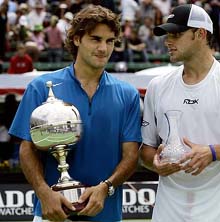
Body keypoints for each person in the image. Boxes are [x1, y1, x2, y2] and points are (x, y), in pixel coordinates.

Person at [9, 5, 141, 222]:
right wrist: (44, 193)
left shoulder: (128, 95)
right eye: (95, 39)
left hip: (106, 214)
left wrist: (106, 187)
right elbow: (27, 149)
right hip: (53, 214)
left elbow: (131, 155)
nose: (103, 48)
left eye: (110, 41)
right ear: (77, 39)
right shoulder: (41, 87)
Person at [140, 4, 220, 222]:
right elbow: (146, 150)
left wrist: (212, 152)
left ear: (200, 34)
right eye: (167, 34)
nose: (168, 41)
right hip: (168, 210)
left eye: (177, 34)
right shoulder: (157, 86)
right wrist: (155, 163)